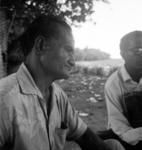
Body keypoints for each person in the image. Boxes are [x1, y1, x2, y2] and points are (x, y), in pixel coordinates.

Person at [0, 15, 125, 150]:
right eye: (68, 50)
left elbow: (83, 135)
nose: (73, 61)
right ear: (41, 45)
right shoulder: (5, 99)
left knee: (113, 145)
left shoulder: (57, 95)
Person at [98, 30, 142, 150]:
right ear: (123, 54)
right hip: (126, 137)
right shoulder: (113, 84)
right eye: (137, 51)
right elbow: (120, 128)